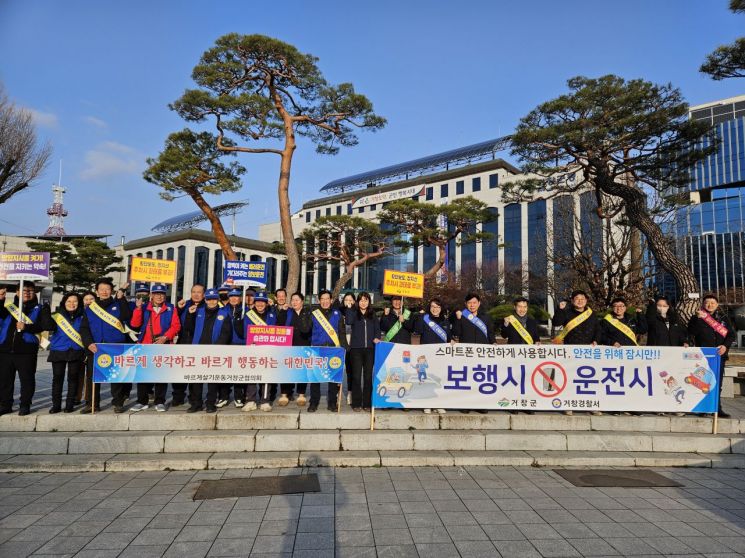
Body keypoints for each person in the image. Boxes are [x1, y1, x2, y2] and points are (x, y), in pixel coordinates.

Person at [80, 278, 133, 413]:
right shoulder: (90, 308)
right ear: (97, 292)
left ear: (111, 291)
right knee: (93, 376)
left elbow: (128, 315)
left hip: (115, 344)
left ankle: (118, 402)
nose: (104, 292)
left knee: (116, 376)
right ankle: (93, 404)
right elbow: (84, 328)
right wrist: (89, 343)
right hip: (95, 346)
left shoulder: (117, 304)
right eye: (101, 289)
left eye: (107, 289)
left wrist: (121, 299)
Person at [129, 283, 181, 412]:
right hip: (145, 345)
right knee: (142, 375)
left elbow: (176, 326)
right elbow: (135, 324)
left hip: (163, 346)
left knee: (161, 374)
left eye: (162, 294)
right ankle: (142, 401)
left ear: (165, 296)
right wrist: (138, 309)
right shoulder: (144, 307)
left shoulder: (170, 308)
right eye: (156, 294)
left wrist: (166, 337)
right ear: (151, 295)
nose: (159, 296)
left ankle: (160, 401)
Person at [180, 288, 232, 413]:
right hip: (198, 350)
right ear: (205, 300)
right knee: (197, 379)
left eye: (214, 299)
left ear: (218, 300)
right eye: (209, 299)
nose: (212, 302)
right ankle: (196, 403)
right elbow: (188, 328)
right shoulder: (198, 311)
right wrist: (189, 315)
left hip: (215, 351)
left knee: (212, 380)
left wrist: (217, 347)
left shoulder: (224, 313)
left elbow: (226, 334)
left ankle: (210, 403)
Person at [687, 294, 736, 418]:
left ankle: (717, 408)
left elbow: (731, 335)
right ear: (703, 304)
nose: (710, 305)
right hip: (703, 356)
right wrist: (698, 319)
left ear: (717, 305)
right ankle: (703, 408)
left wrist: (725, 346)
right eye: (707, 302)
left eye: (713, 303)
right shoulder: (696, 318)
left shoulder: (723, 319)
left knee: (717, 383)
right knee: (702, 383)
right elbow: (690, 333)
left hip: (719, 356)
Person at [551, 290, 600, 415]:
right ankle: (569, 404)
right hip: (571, 351)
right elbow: (556, 322)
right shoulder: (567, 313)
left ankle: (591, 404)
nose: (580, 300)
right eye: (577, 298)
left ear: (586, 300)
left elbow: (598, 330)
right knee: (570, 377)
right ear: (572, 301)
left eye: (582, 298)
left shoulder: (592, 314)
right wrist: (560, 309)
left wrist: (596, 340)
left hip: (588, 351)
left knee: (589, 378)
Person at [0, 283, 45, 416]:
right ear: (17, 292)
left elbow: (45, 326)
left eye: (30, 290)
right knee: (4, 380)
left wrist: (27, 327)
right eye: (23, 290)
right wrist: (1, 297)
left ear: (35, 292)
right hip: (5, 350)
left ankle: (25, 404)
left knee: (27, 380)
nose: (26, 292)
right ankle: (5, 404)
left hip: (26, 351)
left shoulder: (39, 308)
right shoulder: (8, 308)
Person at [40, 292, 86, 414]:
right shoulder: (56, 315)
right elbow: (47, 326)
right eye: (69, 301)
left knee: (73, 379)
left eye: (75, 301)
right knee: (57, 378)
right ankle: (56, 405)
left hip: (76, 350)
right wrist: (45, 311)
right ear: (63, 303)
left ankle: (70, 404)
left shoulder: (83, 316)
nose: (72, 304)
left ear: (79, 303)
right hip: (59, 350)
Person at [645, 296, 689, 416]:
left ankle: (674, 406)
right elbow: (647, 321)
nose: (662, 308)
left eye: (665, 306)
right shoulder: (652, 319)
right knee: (659, 380)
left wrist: (684, 342)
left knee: (673, 381)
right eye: (659, 305)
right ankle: (659, 406)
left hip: (673, 356)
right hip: (657, 355)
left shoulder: (674, 320)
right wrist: (651, 307)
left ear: (669, 307)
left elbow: (681, 335)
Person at [452, 293, 495, 414]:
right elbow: (456, 332)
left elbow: (490, 333)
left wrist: (494, 343)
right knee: (467, 378)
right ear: (466, 304)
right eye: (469, 303)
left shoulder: (486, 317)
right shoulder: (462, 316)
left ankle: (480, 404)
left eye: (474, 302)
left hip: (482, 353)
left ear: (479, 303)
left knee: (481, 378)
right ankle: (466, 404)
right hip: (467, 354)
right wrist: (458, 319)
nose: (472, 305)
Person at [309, 289, 348, 412]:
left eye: (327, 299)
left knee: (333, 377)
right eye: (322, 299)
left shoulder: (337, 314)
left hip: (333, 349)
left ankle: (332, 402)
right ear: (319, 300)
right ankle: (314, 402)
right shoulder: (314, 314)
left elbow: (342, 332)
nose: (325, 301)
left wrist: (344, 347)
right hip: (317, 349)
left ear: (331, 300)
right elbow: (307, 330)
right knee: (315, 377)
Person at [241, 291, 277, 412]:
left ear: (266, 303)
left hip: (267, 350)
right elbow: (247, 332)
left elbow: (274, 332)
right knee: (252, 374)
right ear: (254, 303)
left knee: (266, 376)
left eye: (262, 302)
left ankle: (265, 400)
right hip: (253, 349)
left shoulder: (272, 316)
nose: (260, 304)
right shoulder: (248, 315)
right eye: (258, 302)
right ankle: (250, 400)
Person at [414, 297, 450, 414]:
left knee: (439, 379)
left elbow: (448, 338)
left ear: (441, 308)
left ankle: (438, 404)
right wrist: (420, 316)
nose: (435, 309)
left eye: (437, 307)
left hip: (440, 356)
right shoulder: (425, 319)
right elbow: (417, 330)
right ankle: (427, 404)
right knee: (427, 379)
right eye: (432, 307)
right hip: (427, 355)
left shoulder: (445, 321)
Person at [345, 292, 380, 412]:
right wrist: (349, 309)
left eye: (366, 300)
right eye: (361, 300)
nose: (363, 302)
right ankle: (356, 403)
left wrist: (377, 337)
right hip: (356, 350)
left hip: (370, 349)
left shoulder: (373, 314)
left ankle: (367, 403)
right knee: (356, 376)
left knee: (368, 377)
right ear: (357, 302)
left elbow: (377, 329)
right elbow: (348, 321)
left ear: (369, 302)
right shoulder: (354, 313)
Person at [173, 284, 206, 406]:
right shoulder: (184, 304)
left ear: (204, 294)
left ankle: (194, 398)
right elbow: (174, 320)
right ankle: (178, 397)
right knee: (179, 373)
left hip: (198, 345)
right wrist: (179, 308)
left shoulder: (207, 306)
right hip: (183, 342)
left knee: (195, 374)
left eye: (199, 292)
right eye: (194, 292)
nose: (196, 294)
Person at [278, 291, 312, 407]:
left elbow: (308, 329)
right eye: (293, 300)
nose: (294, 302)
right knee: (287, 370)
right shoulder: (287, 312)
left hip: (304, 345)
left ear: (302, 302)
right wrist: (283, 311)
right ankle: (284, 394)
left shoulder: (308, 313)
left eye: (297, 300)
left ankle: (301, 394)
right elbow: (279, 325)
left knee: (302, 370)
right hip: (288, 346)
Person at [223, 288, 246, 408]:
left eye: (236, 296)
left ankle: (238, 397)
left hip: (241, 345)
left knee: (239, 373)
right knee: (225, 373)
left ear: (240, 298)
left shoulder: (246, 310)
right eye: (231, 296)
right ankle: (224, 396)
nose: (233, 298)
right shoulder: (222, 310)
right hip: (226, 345)